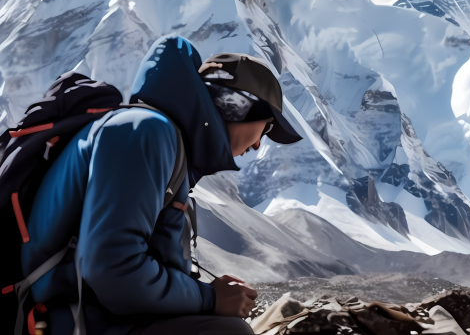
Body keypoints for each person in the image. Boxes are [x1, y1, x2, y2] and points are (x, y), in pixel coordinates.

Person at [21, 36, 302, 334]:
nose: (259, 144)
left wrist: (208, 294)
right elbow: (112, 269)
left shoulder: (162, 140)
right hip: (69, 320)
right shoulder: (146, 132)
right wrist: (210, 298)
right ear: (237, 107)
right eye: (267, 127)